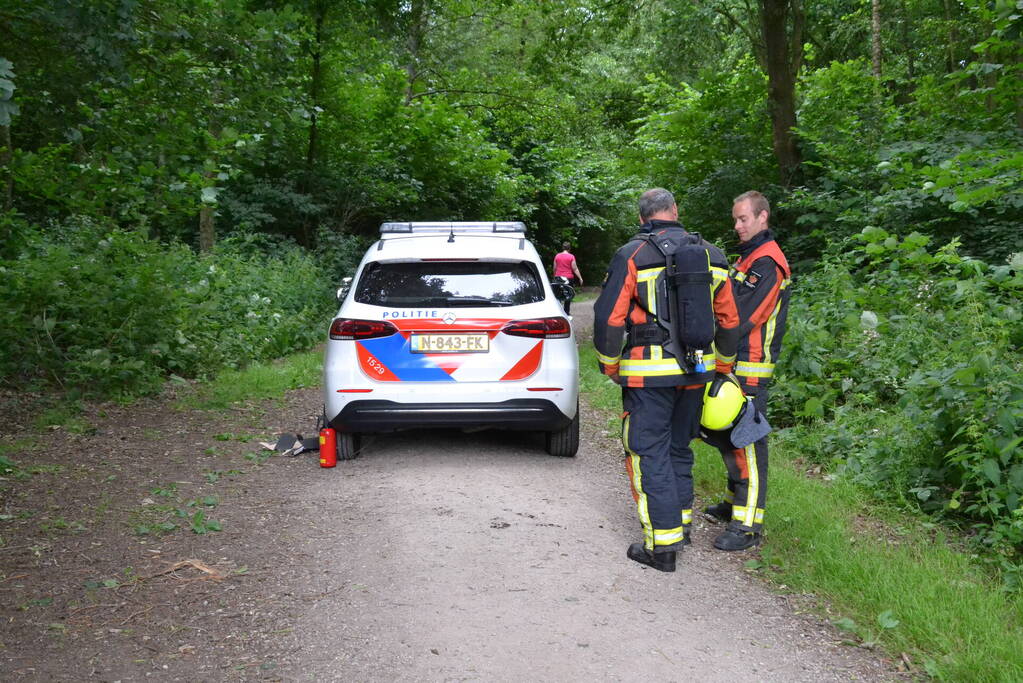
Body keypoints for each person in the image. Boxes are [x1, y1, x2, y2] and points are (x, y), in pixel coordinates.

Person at [593, 188, 739, 572]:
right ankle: (681, 526)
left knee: (648, 451)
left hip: (648, 376)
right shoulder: (713, 255)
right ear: (675, 210)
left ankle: (663, 546)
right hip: (697, 370)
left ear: (641, 217)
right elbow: (729, 320)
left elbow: (609, 318)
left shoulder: (633, 255)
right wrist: (723, 365)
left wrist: (610, 365)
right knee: (678, 448)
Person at [703, 190, 791, 551]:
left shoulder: (768, 262)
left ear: (762, 217)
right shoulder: (748, 257)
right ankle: (732, 504)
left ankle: (748, 525)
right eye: (735, 219)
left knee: (749, 445)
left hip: (750, 368)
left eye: (743, 219)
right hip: (733, 364)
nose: (737, 226)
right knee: (728, 438)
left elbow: (740, 318)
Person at [552, 242, 583, 314]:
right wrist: (580, 278)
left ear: (563, 248)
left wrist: (555, 276)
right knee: (568, 295)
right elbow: (575, 268)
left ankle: (558, 312)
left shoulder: (557, 256)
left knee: (558, 295)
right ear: (569, 248)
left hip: (558, 278)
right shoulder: (571, 256)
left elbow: (554, 268)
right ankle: (566, 312)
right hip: (568, 278)